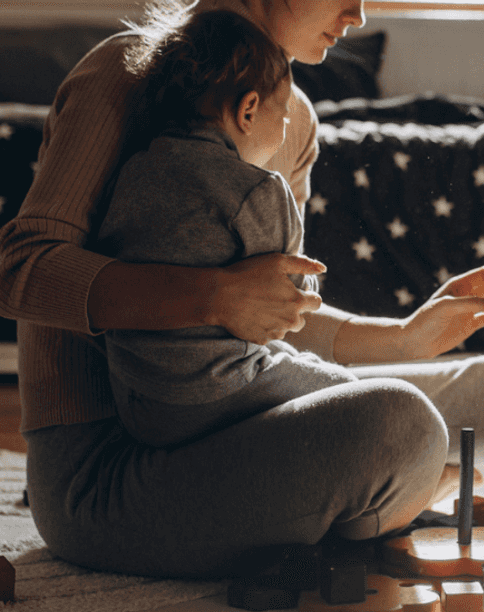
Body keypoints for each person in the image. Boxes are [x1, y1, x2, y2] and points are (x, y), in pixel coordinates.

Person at [0, 0, 484, 580]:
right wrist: (211, 298)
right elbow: (24, 271)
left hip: (235, 409)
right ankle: (371, 508)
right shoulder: (125, 69)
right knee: (397, 427)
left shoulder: (295, 118)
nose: (358, 15)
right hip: (106, 473)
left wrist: (404, 338)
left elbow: (273, 310)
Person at [93, 10, 356, 449]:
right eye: (284, 116)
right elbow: (293, 290)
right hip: (219, 389)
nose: (287, 128)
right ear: (248, 110)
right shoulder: (259, 189)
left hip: (139, 403)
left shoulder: (134, 169)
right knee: (351, 394)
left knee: (286, 361)